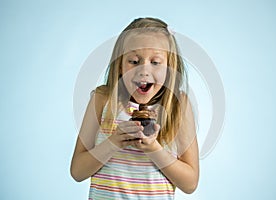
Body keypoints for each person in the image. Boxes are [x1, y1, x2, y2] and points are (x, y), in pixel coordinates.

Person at [70, 17, 199, 199]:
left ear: (170, 68)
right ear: (121, 65)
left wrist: (153, 148)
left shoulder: (178, 106)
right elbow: (77, 171)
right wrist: (113, 142)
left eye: (155, 62)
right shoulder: (102, 100)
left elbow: (190, 183)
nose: (144, 71)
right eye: (134, 61)